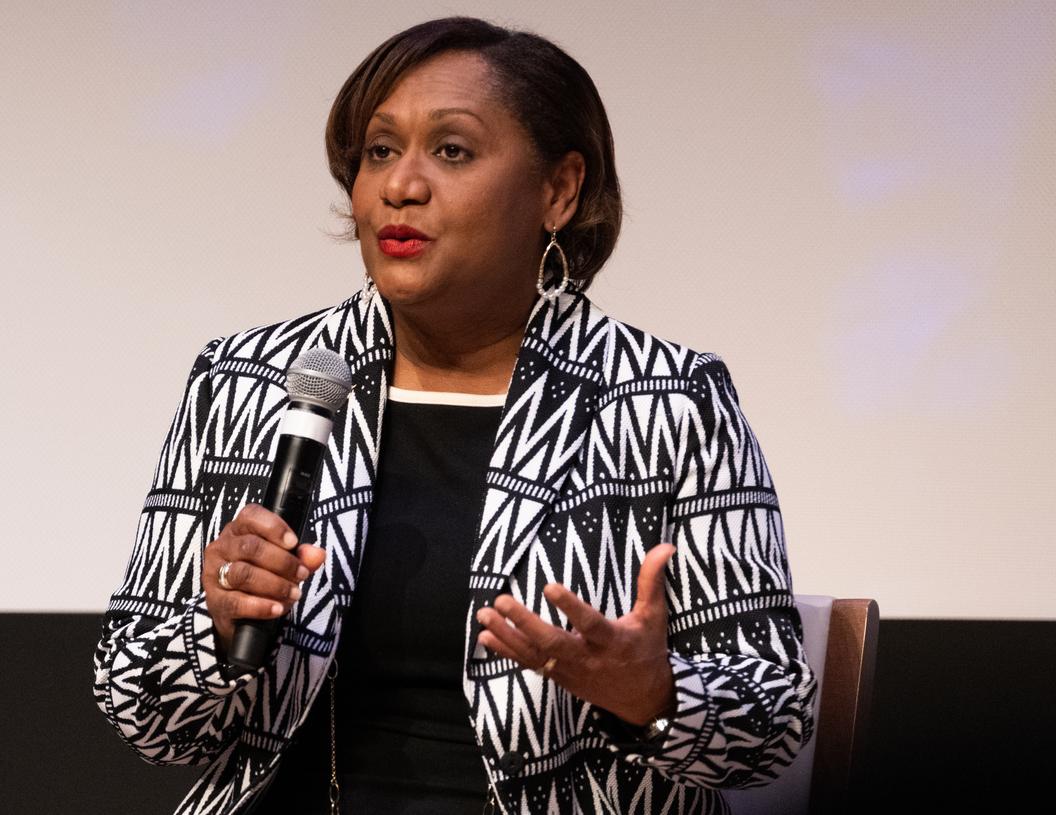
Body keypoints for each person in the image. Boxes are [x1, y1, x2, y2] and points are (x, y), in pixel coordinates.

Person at [92, 16, 816, 815]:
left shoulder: (664, 399)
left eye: (452, 151)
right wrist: (220, 632)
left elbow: (774, 720)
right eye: (379, 151)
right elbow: (143, 715)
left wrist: (652, 693)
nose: (400, 186)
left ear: (558, 191)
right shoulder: (252, 382)